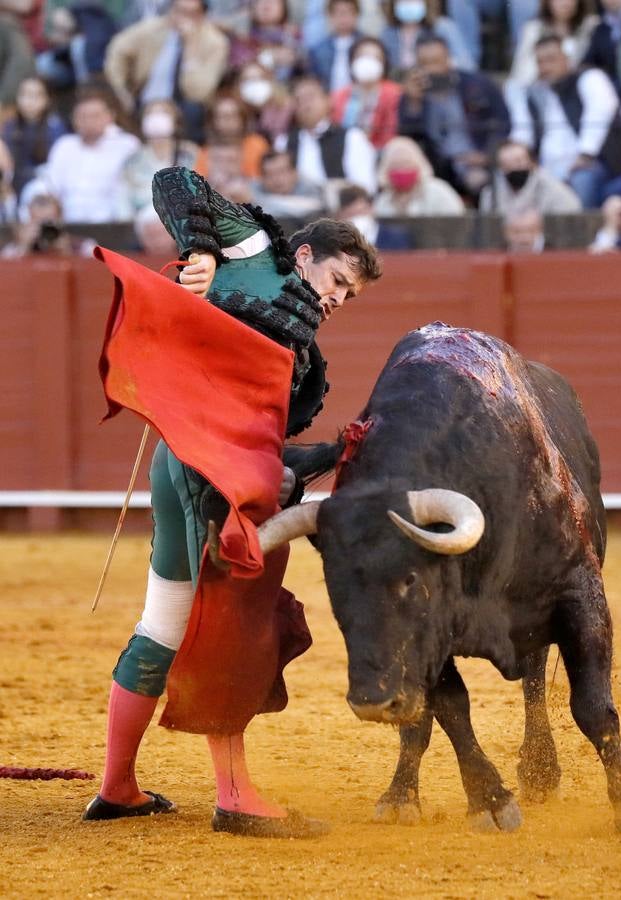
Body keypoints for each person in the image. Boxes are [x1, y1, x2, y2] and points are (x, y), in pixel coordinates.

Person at [83, 166, 382, 839]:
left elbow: (260, 437)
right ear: (305, 253)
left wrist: (328, 456)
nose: (338, 298)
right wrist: (199, 253)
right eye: (337, 281)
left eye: (350, 295)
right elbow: (174, 181)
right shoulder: (252, 248)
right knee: (232, 615)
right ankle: (234, 794)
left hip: (189, 463)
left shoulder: (300, 335)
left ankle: (118, 786)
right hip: (203, 472)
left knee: (166, 623)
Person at [509, 33, 621, 208]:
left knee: (583, 178)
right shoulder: (535, 93)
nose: (545, 67)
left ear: (568, 59)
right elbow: (522, 133)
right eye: (540, 62)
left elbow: (601, 110)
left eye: (551, 59)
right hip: (546, 170)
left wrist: (585, 153)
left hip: (590, 164)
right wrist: (519, 157)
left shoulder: (588, 78)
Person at [398, 34, 510, 200]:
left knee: (483, 185)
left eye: (437, 61)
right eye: (425, 63)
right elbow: (408, 138)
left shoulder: (478, 85)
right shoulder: (412, 93)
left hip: (474, 160)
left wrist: (486, 155)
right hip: (435, 165)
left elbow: (502, 124)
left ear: (448, 58)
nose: (431, 68)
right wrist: (414, 103)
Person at [104, 0, 229, 142]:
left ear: (201, 15)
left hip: (183, 107)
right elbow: (118, 49)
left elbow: (197, 93)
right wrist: (120, 89)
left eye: (190, 13)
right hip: (143, 99)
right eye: (178, 10)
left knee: (193, 110)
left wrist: (191, 45)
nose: (182, 17)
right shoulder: (151, 29)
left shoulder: (214, 42)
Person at [38, 85, 140, 223]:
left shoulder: (127, 145)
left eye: (95, 116)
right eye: (83, 116)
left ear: (110, 116)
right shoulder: (64, 146)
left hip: (113, 221)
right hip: (69, 219)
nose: (89, 122)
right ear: (74, 119)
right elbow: (51, 187)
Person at [276, 74, 377, 195]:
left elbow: (365, 186)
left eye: (310, 97)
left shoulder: (352, 137)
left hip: (340, 206)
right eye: (298, 100)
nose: (305, 105)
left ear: (327, 100)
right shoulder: (284, 142)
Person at [118, 99, 199, 219]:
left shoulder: (190, 155)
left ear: (175, 122)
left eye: (164, 113)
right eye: (150, 114)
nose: (157, 118)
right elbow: (124, 198)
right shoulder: (133, 161)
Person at [330, 36, 401, 150]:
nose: (368, 62)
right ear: (352, 61)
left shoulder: (395, 94)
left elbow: (390, 133)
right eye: (362, 56)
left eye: (375, 58)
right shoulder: (338, 96)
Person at [1, 76, 67, 198]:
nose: (29, 101)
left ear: (48, 99)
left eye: (36, 95)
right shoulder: (10, 126)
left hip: (45, 188)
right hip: (13, 187)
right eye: (24, 94)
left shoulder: (55, 127)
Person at [508, 0, 599, 88]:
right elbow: (520, 75)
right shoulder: (532, 30)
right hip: (541, 91)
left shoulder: (592, 27)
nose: (565, 3)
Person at [479, 138, 582, 214]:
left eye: (518, 162)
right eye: (507, 165)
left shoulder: (551, 188)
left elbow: (572, 210)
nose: (514, 168)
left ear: (532, 163)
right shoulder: (491, 193)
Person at [373, 135, 465, 216]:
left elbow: (457, 223)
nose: (402, 170)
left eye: (406, 164)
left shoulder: (439, 191)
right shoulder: (383, 201)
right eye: (396, 166)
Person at [380, 0, 475, 76]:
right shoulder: (388, 33)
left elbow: (467, 65)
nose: (409, 3)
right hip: (403, 92)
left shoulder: (443, 27)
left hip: (440, 86)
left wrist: (439, 63)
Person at [195, 88, 270, 180]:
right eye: (222, 116)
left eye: (233, 115)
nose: (228, 121)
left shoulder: (258, 145)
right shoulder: (205, 153)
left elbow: (265, 180)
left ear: (243, 119)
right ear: (212, 121)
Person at [1, 190, 95, 257]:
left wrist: (67, 251)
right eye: (39, 223)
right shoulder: (13, 251)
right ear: (30, 222)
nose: (44, 229)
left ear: (60, 220)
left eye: (49, 222)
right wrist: (24, 248)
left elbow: (93, 274)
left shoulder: (84, 247)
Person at [228, 0, 304, 82]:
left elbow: (305, 64)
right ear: (252, 8)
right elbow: (237, 66)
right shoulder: (242, 37)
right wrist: (267, 57)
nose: (267, 5)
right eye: (261, 1)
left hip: (289, 87)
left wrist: (293, 57)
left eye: (273, 1)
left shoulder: (294, 35)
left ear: (284, 7)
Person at [251, 149, 326, 220]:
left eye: (281, 172)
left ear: (294, 173)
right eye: (270, 174)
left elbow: (314, 207)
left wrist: (262, 202)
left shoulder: (309, 187)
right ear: (262, 178)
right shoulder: (252, 189)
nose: (276, 179)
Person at [308, 0, 363, 93]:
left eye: (349, 12)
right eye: (339, 13)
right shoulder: (318, 50)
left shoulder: (367, 45)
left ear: (356, 14)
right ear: (330, 16)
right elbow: (314, 82)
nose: (344, 18)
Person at [336, 182, 412, 249]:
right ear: (341, 217)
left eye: (361, 212)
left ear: (371, 209)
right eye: (351, 215)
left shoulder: (397, 238)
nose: (358, 218)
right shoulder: (337, 244)